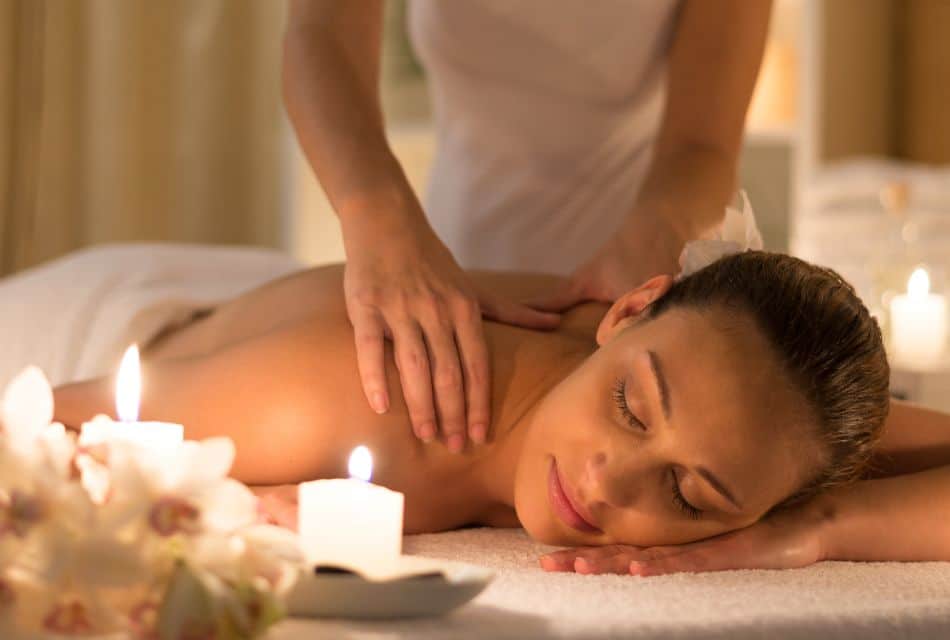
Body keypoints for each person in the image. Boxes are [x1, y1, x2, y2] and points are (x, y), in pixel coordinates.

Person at [31, 244, 950, 576]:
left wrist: (815, 531)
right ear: (627, 312)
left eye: (693, 497)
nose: (605, 480)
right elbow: (38, 433)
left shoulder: (762, 411)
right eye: (629, 407)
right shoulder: (346, 395)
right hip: (109, 322)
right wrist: (222, 507)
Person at [282, 0, 773, 452]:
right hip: (436, 270)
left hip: (619, 288)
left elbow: (703, 144)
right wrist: (378, 220)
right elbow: (321, 35)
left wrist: (662, 229)